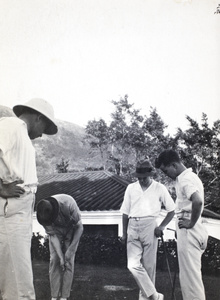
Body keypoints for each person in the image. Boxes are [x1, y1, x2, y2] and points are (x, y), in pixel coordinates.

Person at [0, 98, 58, 300]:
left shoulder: (21, 133)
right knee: (19, 285)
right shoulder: (12, 125)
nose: (42, 134)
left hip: (21, 212)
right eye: (45, 127)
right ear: (38, 117)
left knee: (17, 281)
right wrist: (0, 187)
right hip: (11, 211)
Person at [155, 149, 208, 300]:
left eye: (166, 170)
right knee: (192, 277)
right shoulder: (191, 177)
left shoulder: (185, 179)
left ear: (174, 164)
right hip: (195, 228)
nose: (166, 175)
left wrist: (190, 223)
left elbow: (197, 201)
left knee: (190, 281)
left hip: (190, 229)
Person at [120, 159, 175, 300]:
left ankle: (145, 298)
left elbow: (172, 210)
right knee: (132, 265)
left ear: (151, 175)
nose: (141, 180)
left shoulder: (159, 188)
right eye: (139, 178)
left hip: (150, 226)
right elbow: (125, 212)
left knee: (149, 267)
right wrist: (124, 233)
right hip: (132, 225)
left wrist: (162, 226)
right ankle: (155, 296)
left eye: (144, 178)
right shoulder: (131, 188)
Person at [36, 194, 83, 300]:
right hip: (56, 231)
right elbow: (52, 235)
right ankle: (54, 296)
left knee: (68, 261)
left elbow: (79, 227)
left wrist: (70, 250)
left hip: (71, 228)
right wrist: (61, 256)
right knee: (55, 260)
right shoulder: (42, 214)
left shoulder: (68, 203)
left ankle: (64, 297)